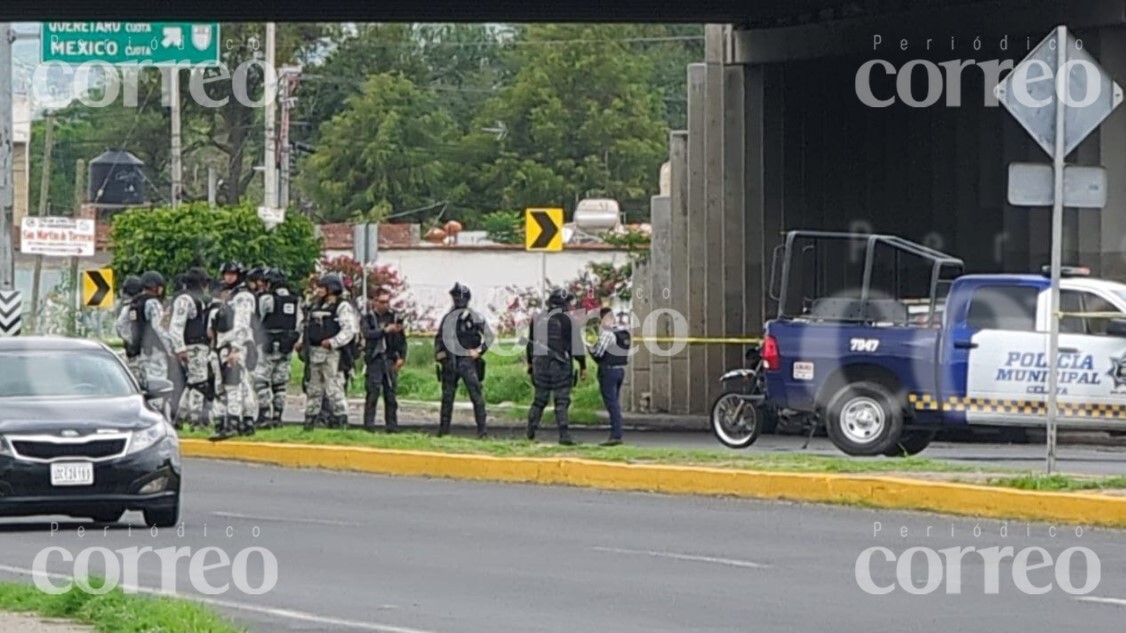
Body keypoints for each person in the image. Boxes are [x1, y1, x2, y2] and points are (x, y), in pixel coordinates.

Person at [525, 288, 586, 445]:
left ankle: (530, 431)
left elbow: (530, 344)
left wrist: (530, 363)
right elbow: (576, 346)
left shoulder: (537, 318)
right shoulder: (568, 320)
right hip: (560, 365)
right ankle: (564, 435)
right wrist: (583, 366)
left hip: (540, 364)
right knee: (561, 400)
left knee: (539, 400)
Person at [297, 274, 358, 431]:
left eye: (322, 287)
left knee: (334, 387)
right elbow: (307, 326)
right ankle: (310, 420)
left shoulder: (342, 306)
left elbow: (349, 330)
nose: (318, 290)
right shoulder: (315, 305)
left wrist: (333, 342)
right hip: (314, 352)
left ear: (331, 289)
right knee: (313, 388)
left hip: (332, 354)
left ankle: (341, 420)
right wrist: (301, 342)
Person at [434, 283, 493, 438]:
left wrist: (479, 351)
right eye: (455, 297)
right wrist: (439, 354)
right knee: (447, 397)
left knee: (476, 395)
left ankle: (482, 430)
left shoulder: (474, 317)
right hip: (450, 361)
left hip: (467, 360)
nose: (457, 300)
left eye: (460, 297)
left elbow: (489, 337)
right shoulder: (448, 318)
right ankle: (444, 430)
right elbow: (439, 339)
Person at [210, 261, 260, 441]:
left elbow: (242, 323)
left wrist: (235, 349)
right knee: (243, 384)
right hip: (227, 344)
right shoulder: (231, 295)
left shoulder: (242, 296)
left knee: (232, 385)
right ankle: (247, 421)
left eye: (232, 274)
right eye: (226, 274)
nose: (228, 277)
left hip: (234, 345)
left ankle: (231, 422)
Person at [255, 267, 301, 429]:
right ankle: (278, 415)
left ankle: (264, 413)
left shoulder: (267, 298)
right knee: (280, 383)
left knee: (261, 380)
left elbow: (257, 319)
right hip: (287, 346)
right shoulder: (294, 299)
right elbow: (298, 324)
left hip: (267, 344)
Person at [169, 268, 213, 430]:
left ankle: (179, 418)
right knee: (200, 383)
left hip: (198, 346)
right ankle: (196, 421)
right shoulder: (185, 299)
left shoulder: (196, 299)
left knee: (193, 383)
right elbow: (176, 326)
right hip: (191, 346)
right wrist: (180, 349)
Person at [128, 271, 176, 413]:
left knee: (143, 384)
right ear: (155, 287)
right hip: (155, 350)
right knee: (158, 385)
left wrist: (132, 341)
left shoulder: (134, 302)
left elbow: (122, 325)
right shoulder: (153, 302)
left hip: (139, 351)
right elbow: (159, 327)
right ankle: (157, 414)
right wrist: (169, 349)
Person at [361, 286, 407, 433]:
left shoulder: (393, 317)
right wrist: (384, 331)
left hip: (390, 358)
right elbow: (367, 334)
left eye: (387, 302)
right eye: (382, 302)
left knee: (391, 394)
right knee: (373, 393)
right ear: (374, 302)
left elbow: (402, 340)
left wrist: (402, 358)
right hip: (375, 359)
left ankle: (392, 426)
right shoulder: (368, 317)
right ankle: (369, 426)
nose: (385, 305)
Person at [589, 307, 631, 446]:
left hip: (608, 371)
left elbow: (598, 353)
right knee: (615, 404)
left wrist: (590, 348)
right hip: (620, 370)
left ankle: (616, 435)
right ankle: (616, 433)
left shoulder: (607, 334)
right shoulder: (624, 332)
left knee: (611, 404)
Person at [115, 275, 144, 378]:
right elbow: (121, 325)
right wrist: (131, 341)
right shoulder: (130, 305)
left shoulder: (120, 304)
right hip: (131, 350)